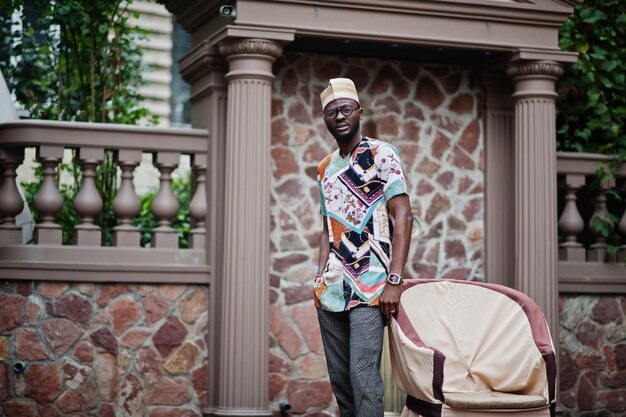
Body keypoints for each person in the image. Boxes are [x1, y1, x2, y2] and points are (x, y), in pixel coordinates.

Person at [314, 78, 413, 417]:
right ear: (325, 119)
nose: (339, 116)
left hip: (371, 284)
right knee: (341, 384)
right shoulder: (325, 168)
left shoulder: (381, 154)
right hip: (333, 287)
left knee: (363, 377)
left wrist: (395, 281)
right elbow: (327, 227)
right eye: (331, 112)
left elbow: (403, 216)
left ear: (359, 112)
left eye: (345, 109)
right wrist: (320, 275)